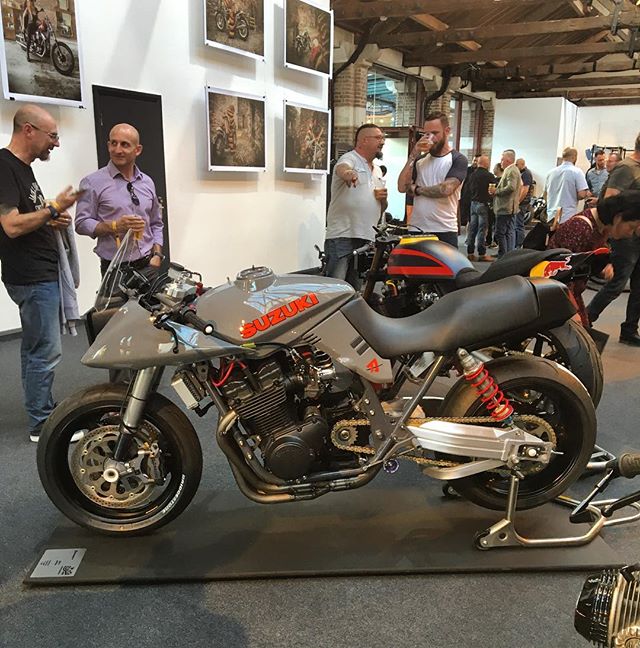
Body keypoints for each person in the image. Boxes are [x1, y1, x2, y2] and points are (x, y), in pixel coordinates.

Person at [0, 104, 80, 442]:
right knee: (44, 350)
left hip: (40, 273)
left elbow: (29, 213)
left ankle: (41, 407)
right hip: (31, 276)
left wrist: (52, 215)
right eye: (53, 136)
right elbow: (12, 225)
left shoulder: (22, 168)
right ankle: (41, 423)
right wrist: (53, 208)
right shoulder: (4, 167)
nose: (56, 144)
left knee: (37, 347)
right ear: (28, 130)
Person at [75, 123, 164, 277]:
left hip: (148, 265)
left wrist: (157, 254)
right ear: (108, 145)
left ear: (138, 150)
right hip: (115, 268)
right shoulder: (92, 182)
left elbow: (156, 222)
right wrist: (115, 226)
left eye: (125, 145)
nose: (117, 150)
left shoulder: (147, 182)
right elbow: (81, 223)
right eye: (113, 143)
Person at [549, 191, 640, 328]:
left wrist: (602, 266)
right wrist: (571, 311)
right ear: (618, 218)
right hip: (558, 292)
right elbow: (560, 274)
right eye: (631, 227)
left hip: (569, 291)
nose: (630, 233)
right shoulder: (580, 228)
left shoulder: (601, 227)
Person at [587, 134, 640, 345]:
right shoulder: (626, 168)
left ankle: (629, 330)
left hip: (636, 236)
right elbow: (610, 203)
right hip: (625, 238)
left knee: (639, 286)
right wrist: (608, 241)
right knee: (617, 283)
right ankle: (585, 320)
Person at [324, 123, 387, 288]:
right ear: (364, 140)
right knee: (335, 288)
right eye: (378, 138)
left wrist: (383, 200)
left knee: (356, 289)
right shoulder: (350, 158)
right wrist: (348, 174)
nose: (382, 141)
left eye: (382, 138)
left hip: (366, 237)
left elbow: (382, 208)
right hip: (343, 235)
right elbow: (342, 168)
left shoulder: (378, 170)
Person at [397, 111, 467, 248]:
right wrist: (414, 153)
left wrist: (416, 189)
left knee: (444, 269)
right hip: (417, 228)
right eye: (426, 134)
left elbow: (445, 189)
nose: (430, 138)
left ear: (447, 131)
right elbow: (401, 187)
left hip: (444, 229)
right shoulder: (419, 161)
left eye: (435, 133)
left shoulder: (457, 159)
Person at [544, 147, 590, 224]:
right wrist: (586, 194)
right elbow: (581, 194)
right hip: (567, 215)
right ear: (574, 157)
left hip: (551, 215)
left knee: (552, 235)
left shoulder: (550, 173)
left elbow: (545, 194)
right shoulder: (577, 172)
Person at [489, 149, 522, 257]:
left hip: (505, 207)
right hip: (511, 207)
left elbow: (511, 187)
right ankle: (508, 255)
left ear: (508, 160)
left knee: (500, 232)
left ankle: (503, 255)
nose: (501, 161)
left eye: (502, 159)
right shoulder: (514, 170)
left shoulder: (511, 170)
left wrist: (496, 191)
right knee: (509, 232)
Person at [465, 155, 495, 262]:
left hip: (473, 204)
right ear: (486, 163)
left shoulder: (472, 175)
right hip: (483, 204)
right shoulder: (489, 176)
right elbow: (493, 190)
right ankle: (482, 253)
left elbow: (468, 189)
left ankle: (470, 252)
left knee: (472, 229)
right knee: (482, 229)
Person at [515, 158, 533, 247]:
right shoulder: (521, 173)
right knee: (516, 224)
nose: (516, 166)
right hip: (520, 202)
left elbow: (525, 189)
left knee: (518, 224)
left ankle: (519, 245)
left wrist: (518, 201)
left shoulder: (526, 174)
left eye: (517, 165)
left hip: (522, 203)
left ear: (522, 164)